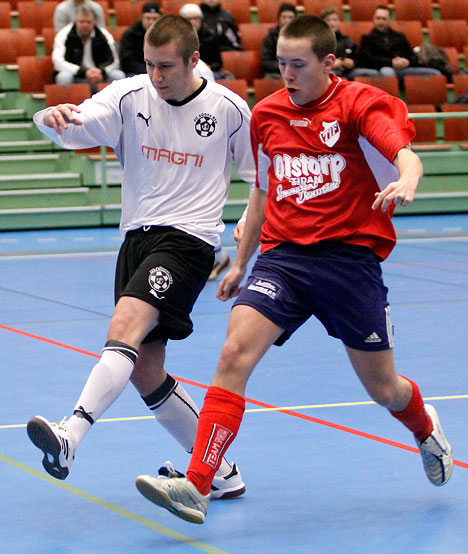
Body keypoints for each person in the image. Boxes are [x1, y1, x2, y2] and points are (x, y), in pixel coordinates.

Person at [136, 14, 453, 524]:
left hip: (349, 262)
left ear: (329, 63)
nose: (287, 73)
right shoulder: (267, 114)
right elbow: (262, 190)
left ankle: (423, 426)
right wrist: (241, 263)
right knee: (234, 353)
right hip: (283, 259)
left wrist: (408, 180)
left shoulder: (357, 105)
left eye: (298, 64)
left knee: (384, 387)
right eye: (281, 62)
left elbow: (404, 153)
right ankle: (197, 484)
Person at [27, 14, 257, 502]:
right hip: (136, 240)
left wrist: (245, 234)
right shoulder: (130, 95)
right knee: (145, 370)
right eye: (150, 65)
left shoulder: (230, 110)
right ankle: (220, 473)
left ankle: (71, 434)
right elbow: (79, 125)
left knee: (123, 328)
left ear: (195, 61)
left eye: (166, 67)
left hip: (188, 242)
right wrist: (52, 120)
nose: (156, 76)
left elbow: (261, 176)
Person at [358, 5, 441, 84]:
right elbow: (367, 60)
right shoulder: (367, 39)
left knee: (435, 73)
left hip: (404, 69)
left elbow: (412, 56)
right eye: (378, 18)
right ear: (374, 19)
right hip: (383, 70)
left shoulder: (400, 37)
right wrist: (391, 62)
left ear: (390, 20)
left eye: (384, 19)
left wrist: (407, 61)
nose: (380, 22)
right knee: (387, 72)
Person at [52, 5, 125, 90]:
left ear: (94, 21)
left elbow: (114, 61)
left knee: (118, 75)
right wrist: (83, 72)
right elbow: (58, 61)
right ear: (76, 21)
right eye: (81, 22)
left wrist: (101, 71)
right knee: (63, 77)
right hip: (75, 74)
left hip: (100, 75)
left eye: (88, 22)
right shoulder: (64, 35)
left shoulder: (104, 35)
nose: (85, 25)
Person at [321, 6, 379, 79]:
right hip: (330, 71)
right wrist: (330, 65)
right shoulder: (319, 41)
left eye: (334, 20)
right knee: (331, 75)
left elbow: (360, 58)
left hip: (349, 71)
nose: (332, 23)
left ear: (339, 22)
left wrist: (352, 63)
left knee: (374, 73)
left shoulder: (347, 40)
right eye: (328, 20)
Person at [179, 3, 225, 78]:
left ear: (201, 20)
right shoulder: (177, 38)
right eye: (189, 19)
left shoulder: (210, 36)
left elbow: (218, 63)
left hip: (207, 71)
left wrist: (209, 66)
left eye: (195, 18)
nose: (193, 22)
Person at [119, 1, 162, 77]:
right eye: (148, 18)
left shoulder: (166, 34)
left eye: (154, 18)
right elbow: (127, 61)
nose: (151, 22)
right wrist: (148, 70)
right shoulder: (131, 34)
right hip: (137, 73)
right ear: (141, 18)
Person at [260, 2, 296, 75]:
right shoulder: (270, 37)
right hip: (277, 73)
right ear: (278, 18)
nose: (287, 21)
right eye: (284, 17)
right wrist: (285, 66)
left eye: (290, 17)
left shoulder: (302, 36)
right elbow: (265, 62)